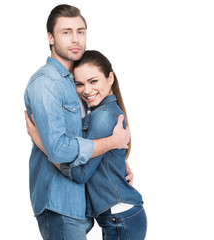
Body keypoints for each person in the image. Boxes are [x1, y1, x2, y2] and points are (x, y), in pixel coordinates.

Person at [24, 5, 132, 240]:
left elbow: (88, 133)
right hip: (60, 201)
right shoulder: (47, 83)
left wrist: (111, 164)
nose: (75, 39)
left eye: (80, 31)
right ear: (50, 38)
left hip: (80, 203)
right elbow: (59, 148)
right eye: (66, 32)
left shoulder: (77, 82)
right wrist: (112, 143)